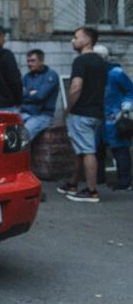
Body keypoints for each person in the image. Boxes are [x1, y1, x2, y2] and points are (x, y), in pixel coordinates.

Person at [58, 27, 107, 203]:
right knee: (81, 150)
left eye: (76, 37)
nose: (73, 40)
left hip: (81, 113)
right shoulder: (101, 62)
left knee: (87, 151)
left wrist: (68, 108)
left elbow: (76, 87)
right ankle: (73, 184)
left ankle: (92, 191)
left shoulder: (81, 61)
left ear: (87, 40)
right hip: (96, 113)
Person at [94, 45, 133, 191]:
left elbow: (131, 91)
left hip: (115, 117)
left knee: (120, 149)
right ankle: (99, 178)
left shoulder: (116, 73)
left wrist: (125, 107)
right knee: (97, 149)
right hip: (98, 117)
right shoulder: (94, 74)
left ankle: (125, 182)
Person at [21, 49, 60, 141]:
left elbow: (40, 96)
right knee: (5, 132)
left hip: (42, 116)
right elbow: (18, 95)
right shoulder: (27, 76)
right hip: (24, 113)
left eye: (33, 61)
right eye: (28, 61)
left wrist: (26, 94)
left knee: (22, 138)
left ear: (41, 61)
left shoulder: (51, 75)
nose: (29, 64)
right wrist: (30, 93)